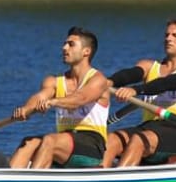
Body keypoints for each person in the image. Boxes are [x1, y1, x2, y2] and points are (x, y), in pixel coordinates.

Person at [103, 19, 176, 167]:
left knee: (138, 139)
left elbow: (167, 83)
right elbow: (131, 74)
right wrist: (108, 83)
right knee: (112, 139)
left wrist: (135, 90)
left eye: (175, 36)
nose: (168, 38)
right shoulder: (150, 66)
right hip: (149, 127)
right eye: (167, 35)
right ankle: (97, 178)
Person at [10, 27, 110, 169]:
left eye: (71, 44)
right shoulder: (54, 81)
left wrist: (54, 102)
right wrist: (26, 109)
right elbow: (40, 96)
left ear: (86, 51)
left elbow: (79, 99)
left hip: (92, 145)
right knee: (29, 142)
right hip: (65, 141)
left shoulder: (98, 80)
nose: (64, 48)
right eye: (64, 43)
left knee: (50, 140)